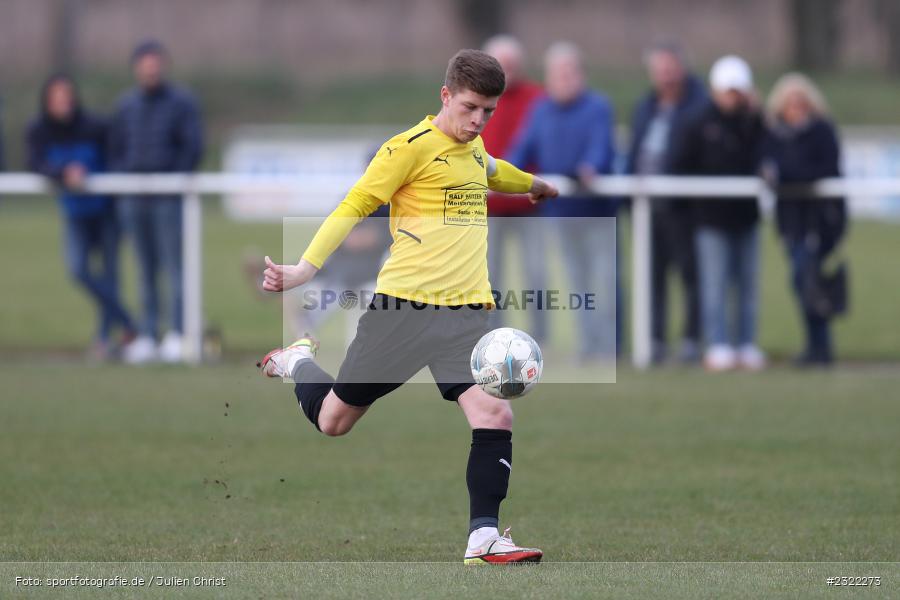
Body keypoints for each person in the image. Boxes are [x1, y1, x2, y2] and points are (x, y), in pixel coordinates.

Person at [258, 50, 558, 564]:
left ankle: (483, 536)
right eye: (469, 108)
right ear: (445, 96)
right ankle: (296, 360)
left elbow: (491, 170)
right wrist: (305, 269)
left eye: (488, 111)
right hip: (402, 313)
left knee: (494, 413)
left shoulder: (473, 146)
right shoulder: (408, 148)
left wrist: (533, 185)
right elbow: (353, 205)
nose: (478, 121)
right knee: (334, 421)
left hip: (465, 316)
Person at [507, 42, 618, 360]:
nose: (564, 79)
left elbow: (599, 149)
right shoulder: (540, 110)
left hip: (596, 212)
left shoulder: (598, 106)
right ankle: (586, 347)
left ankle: (608, 349)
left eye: (570, 72)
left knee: (604, 285)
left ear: (581, 74)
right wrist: (500, 175)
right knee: (576, 285)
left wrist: (590, 169)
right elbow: (521, 150)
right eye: (558, 73)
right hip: (560, 213)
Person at [26, 74, 137, 359]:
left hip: (107, 213)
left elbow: (117, 158)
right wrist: (63, 173)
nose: (63, 102)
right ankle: (128, 323)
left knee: (110, 278)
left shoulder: (96, 125)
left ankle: (103, 340)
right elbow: (35, 162)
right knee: (78, 269)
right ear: (47, 101)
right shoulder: (39, 130)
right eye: (56, 97)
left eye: (67, 95)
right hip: (76, 214)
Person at [669, 55, 766, 372]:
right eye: (728, 91)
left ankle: (746, 344)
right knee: (714, 285)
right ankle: (719, 344)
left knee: (747, 286)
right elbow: (679, 165)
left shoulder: (754, 122)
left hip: (747, 217)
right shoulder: (697, 122)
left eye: (737, 91)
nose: (732, 97)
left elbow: (765, 157)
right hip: (710, 220)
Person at [110, 40, 204, 364]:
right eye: (145, 64)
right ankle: (149, 335)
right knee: (144, 270)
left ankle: (178, 334)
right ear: (137, 67)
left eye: (155, 64)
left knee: (175, 268)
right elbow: (116, 148)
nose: (150, 70)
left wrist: (171, 179)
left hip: (169, 199)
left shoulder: (181, 103)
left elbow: (192, 147)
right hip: (134, 199)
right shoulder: (126, 105)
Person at [625, 42, 707, 364]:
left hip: (684, 208)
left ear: (682, 69)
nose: (666, 75)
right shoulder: (646, 106)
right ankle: (653, 339)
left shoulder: (699, 106)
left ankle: (690, 340)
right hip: (647, 208)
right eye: (660, 69)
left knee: (690, 276)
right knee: (650, 276)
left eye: (670, 68)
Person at [764, 73, 847, 367]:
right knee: (802, 282)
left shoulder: (822, 130)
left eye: (801, 101)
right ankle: (817, 347)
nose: (796, 107)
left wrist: (786, 175)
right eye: (790, 102)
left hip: (818, 222)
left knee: (806, 279)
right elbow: (768, 168)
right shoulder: (775, 134)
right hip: (790, 222)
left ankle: (819, 347)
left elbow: (822, 171)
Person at [480, 35, 547, 342]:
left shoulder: (536, 98)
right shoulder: (476, 98)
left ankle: (539, 337)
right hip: (488, 208)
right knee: (490, 276)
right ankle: (495, 337)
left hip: (526, 206)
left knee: (536, 274)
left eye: (510, 64)